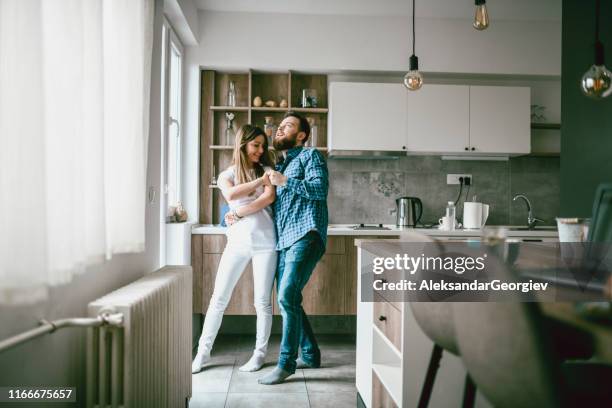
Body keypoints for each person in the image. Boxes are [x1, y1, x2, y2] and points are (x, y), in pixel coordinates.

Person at [192, 125, 277, 374]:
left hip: (266, 243)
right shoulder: (226, 174)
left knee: (262, 302)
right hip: (237, 243)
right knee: (218, 299)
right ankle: (202, 354)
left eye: (263, 146)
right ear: (243, 145)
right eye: (256, 145)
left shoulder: (268, 170)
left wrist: (238, 211)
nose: (261, 150)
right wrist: (259, 182)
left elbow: (267, 199)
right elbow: (230, 193)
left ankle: (259, 355)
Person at [258, 112, 329, 385]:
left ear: (301, 135)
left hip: (307, 234)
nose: (279, 130)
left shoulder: (309, 156)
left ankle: (286, 363)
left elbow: (319, 189)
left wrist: (285, 181)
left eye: (287, 126)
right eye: (279, 126)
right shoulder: (281, 165)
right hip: (284, 240)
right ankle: (310, 354)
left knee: (287, 294)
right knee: (290, 298)